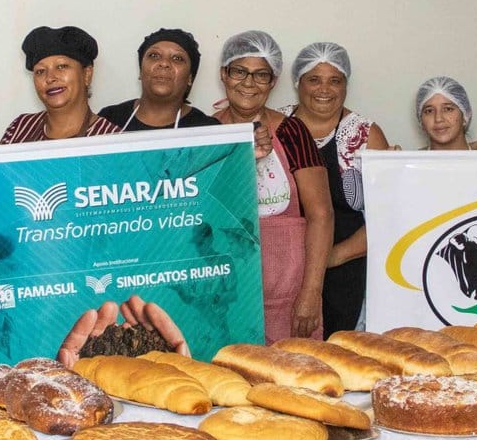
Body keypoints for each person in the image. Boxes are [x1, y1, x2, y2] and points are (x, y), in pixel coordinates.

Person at [213, 31, 332, 340]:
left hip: (291, 297)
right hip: (226, 296)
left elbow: (321, 215)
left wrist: (311, 294)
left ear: (273, 81)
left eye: (261, 75)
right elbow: (197, 211)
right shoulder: (206, 132)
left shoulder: (293, 132)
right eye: (239, 71)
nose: (249, 83)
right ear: (224, 74)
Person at [286, 42, 390, 337]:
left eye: (335, 80)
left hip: (345, 271)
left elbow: (385, 217)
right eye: (314, 79)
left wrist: (330, 257)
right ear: (298, 82)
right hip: (284, 273)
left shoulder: (365, 134)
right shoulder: (277, 127)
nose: (324, 89)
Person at [0, 25, 121, 142]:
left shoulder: (111, 140)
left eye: (61, 66)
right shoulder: (19, 130)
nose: (50, 78)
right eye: (40, 71)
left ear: (87, 74)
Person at [99, 28, 219, 131]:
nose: (164, 63)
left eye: (177, 58)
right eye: (154, 56)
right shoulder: (108, 119)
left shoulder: (207, 129)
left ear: (190, 78)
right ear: (141, 70)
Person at [416, 76, 477, 150]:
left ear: (465, 116)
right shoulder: (411, 162)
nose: (438, 118)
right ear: (421, 122)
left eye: (448, 109)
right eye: (429, 111)